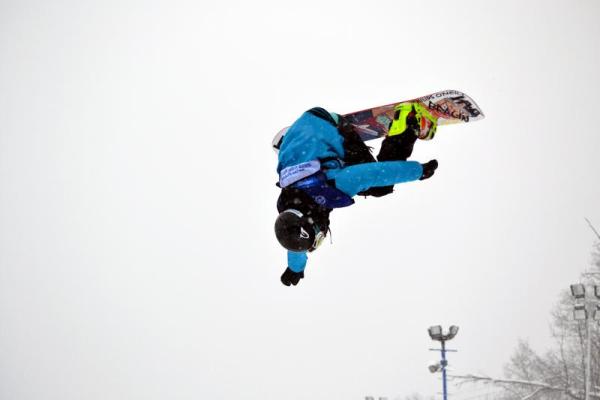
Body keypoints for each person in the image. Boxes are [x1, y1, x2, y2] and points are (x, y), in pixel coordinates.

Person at [274, 103, 439, 286]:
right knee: (324, 165)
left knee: (380, 187)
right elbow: (295, 234)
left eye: (319, 237)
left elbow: (374, 173)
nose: (323, 234)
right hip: (297, 134)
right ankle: (305, 138)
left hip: (330, 124)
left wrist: (418, 171)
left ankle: (407, 122)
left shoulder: (333, 187)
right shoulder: (289, 206)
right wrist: (295, 268)